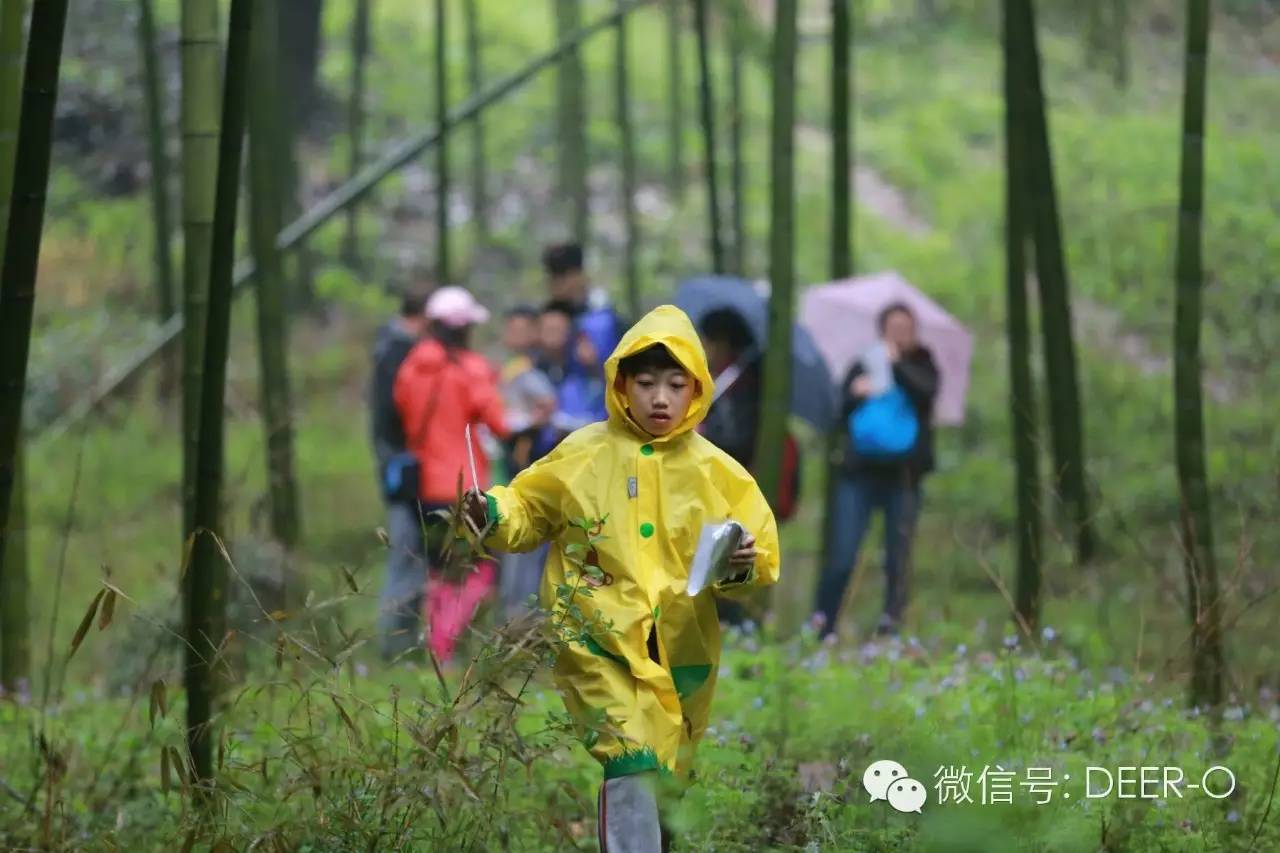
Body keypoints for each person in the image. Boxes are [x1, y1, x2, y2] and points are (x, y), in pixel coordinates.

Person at [457, 305, 780, 851]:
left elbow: (758, 550)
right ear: (621, 385)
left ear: (696, 388)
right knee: (629, 758)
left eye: (675, 384)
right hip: (597, 639)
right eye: (647, 383)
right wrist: (492, 513)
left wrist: (740, 563)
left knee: (670, 771)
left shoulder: (717, 472)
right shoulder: (584, 453)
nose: (660, 398)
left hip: (683, 646)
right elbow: (530, 507)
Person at [389, 286, 509, 662]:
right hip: (466, 487)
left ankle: (438, 644)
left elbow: (402, 410)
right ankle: (445, 645)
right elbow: (500, 422)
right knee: (480, 570)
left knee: (440, 570)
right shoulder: (471, 368)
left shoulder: (411, 367)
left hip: (425, 488)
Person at [812, 302, 939, 639]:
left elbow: (927, 395)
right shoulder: (863, 363)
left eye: (905, 328)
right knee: (842, 555)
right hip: (859, 475)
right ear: (882, 329)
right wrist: (856, 394)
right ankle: (822, 626)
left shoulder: (923, 364)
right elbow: (838, 413)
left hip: (904, 478)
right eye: (893, 327)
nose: (898, 333)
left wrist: (897, 366)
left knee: (898, 559)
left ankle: (890, 630)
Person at [372, 290, 429, 659]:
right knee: (406, 556)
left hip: (400, 465)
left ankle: (402, 643)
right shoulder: (398, 354)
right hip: (403, 469)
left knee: (411, 557)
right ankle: (395, 647)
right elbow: (395, 417)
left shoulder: (390, 349)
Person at [543, 242, 625, 407]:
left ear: (579, 275)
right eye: (554, 277)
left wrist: (594, 362)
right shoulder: (553, 313)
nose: (557, 283)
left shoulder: (604, 316)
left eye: (563, 276)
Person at [697, 308, 762, 470]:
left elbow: (733, 439)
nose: (701, 349)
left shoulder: (739, 382)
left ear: (721, 343)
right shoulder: (724, 377)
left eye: (704, 342)